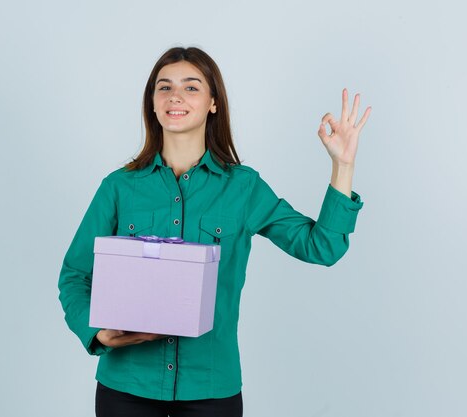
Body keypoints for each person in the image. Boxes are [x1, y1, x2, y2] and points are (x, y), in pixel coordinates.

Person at [58, 46, 371, 417]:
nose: (175, 96)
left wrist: (343, 165)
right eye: (164, 87)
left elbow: (322, 247)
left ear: (213, 103)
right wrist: (95, 333)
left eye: (191, 87)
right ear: (153, 103)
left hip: (211, 391)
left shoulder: (244, 187)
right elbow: (75, 275)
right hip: (126, 389)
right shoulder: (119, 187)